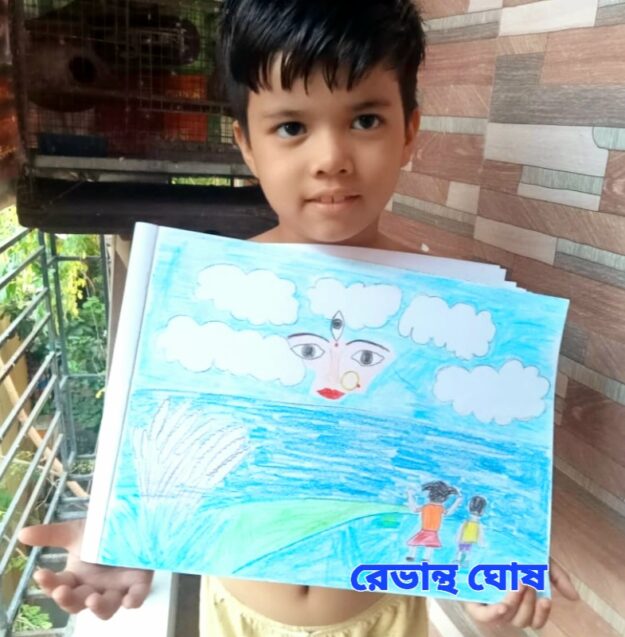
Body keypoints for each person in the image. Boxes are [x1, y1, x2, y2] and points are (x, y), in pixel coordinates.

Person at [19, 0, 580, 633]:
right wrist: (124, 539)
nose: (331, 157)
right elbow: (171, 458)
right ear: (245, 145)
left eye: (365, 119)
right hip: (236, 618)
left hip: (385, 619)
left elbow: (471, 491)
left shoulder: (458, 311)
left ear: (409, 132)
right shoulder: (198, 298)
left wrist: (494, 571)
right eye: (291, 127)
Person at [406, 481, 461, 563]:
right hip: (432, 532)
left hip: (424, 530)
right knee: (430, 546)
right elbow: (449, 512)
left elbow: (414, 509)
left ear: (429, 496)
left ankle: (412, 556)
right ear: (444, 498)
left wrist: (409, 495)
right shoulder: (440, 508)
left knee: (415, 543)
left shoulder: (426, 507)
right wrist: (457, 501)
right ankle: (425, 559)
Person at [456, 495, 488, 565]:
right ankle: (464, 562)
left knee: (461, 550)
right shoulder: (478, 524)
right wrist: (481, 543)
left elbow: (461, 531)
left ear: (469, 508)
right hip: (470, 540)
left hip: (464, 539)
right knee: (467, 551)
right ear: (482, 511)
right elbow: (480, 535)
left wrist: (458, 539)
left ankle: (459, 561)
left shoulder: (466, 522)